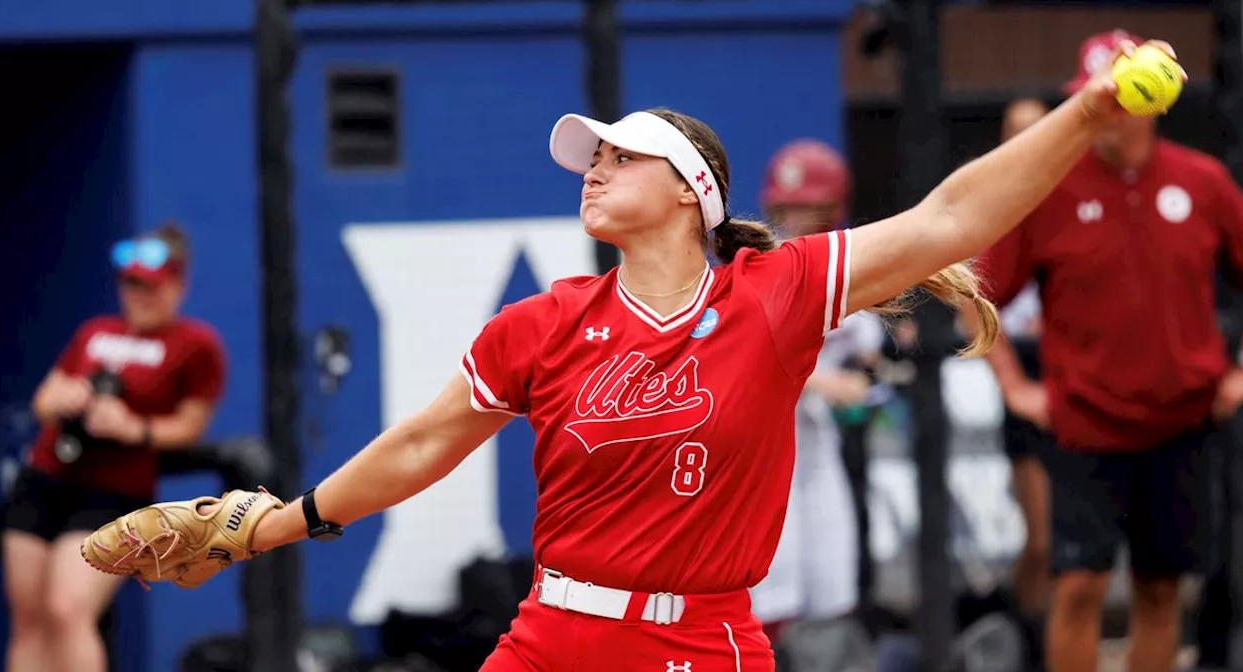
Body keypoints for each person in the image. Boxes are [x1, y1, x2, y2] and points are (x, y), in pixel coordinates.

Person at [84, 38, 1182, 672]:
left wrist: (1086, 112)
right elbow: (423, 442)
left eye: (621, 154)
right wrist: (278, 522)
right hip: (551, 632)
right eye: (590, 155)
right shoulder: (543, 322)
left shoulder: (776, 290)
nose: (593, 167)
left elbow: (948, 220)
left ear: (692, 195)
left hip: (701, 645)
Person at [960, 30, 1243, 672]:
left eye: (1121, 95)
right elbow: (977, 291)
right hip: (1085, 426)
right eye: (1098, 97)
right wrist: (1014, 386)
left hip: (1185, 422)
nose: (1109, 109)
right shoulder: (1050, 188)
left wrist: (1238, 374)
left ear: (1154, 102)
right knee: (1080, 585)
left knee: (1161, 587)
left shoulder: (1204, 182)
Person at [3, 223, 227, 672]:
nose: (140, 296)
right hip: (47, 476)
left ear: (177, 286)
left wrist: (133, 428)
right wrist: (65, 399)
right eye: (131, 284)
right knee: (29, 620)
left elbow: (190, 425)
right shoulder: (94, 332)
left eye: (152, 286)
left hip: (112, 494)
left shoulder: (195, 344)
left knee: (67, 609)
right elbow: (44, 400)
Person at [747, 139, 880, 669]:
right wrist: (825, 384)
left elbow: (872, 346)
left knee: (833, 580)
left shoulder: (850, 266)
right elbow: (748, 349)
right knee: (770, 592)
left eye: (810, 209)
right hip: (759, 454)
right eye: (787, 208)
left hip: (817, 447)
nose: (797, 220)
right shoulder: (752, 267)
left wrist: (869, 374)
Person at [994, 96, 1053, 672]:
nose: (1025, 142)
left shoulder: (1079, 192)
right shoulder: (990, 201)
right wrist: (1011, 381)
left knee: (1078, 552)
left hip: (1081, 373)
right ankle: (1026, 644)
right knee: (1041, 541)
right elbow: (973, 294)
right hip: (1024, 373)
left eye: (1037, 132)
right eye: (1015, 132)